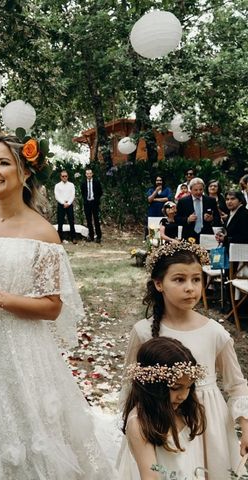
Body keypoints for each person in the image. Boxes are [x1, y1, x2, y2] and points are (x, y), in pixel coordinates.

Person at [0, 135, 113, 478]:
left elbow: (51, 308)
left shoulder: (43, 233)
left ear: (25, 172)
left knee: (30, 436)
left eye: (3, 163)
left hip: (23, 350)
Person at [122, 241, 248, 478]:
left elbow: (237, 385)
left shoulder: (214, 332)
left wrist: (246, 426)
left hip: (208, 423)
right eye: (179, 279)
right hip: (161, 420)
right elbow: (132, 384)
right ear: (159, 284)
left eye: (196, 279)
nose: (190, 288)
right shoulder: (143, 332)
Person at [117, 337, 207, 480]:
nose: (183, 396)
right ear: (152, 385)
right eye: (175, 388)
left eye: (189, 387)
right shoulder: (139, 423)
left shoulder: (183, 410)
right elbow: (151, 476)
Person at [176, 177, 220, 243]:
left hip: (206, 234)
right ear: (190, 190)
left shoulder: (210, 201)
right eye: (196, 190)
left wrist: (211, 219)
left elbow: (218, 218)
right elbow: (177, 218)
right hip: (189, 234)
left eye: (201, 189)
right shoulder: (183, 201)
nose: (198, 192)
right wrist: (187, 219)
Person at [54, 169, 78, 244]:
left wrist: (69, 203)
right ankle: (59, 238)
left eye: (66, 176)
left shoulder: (71, 185)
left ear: (68, 177)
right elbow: (56, 196)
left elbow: (73, 195)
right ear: (60, 177)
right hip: (61, 205)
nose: (64, 177)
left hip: (69, 205)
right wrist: (63, 203)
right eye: (63, 176)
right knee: (60, 222)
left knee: (71, 221)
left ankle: (73, 238)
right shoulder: (57, 185)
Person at [80, 167, 103, 243]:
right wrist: (86, 200)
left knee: (96, 220)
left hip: (94, 203)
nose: (89, 175)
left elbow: (100, 192)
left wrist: (96, 199)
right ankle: (91, 236)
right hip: (87, 203)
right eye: (87, 174)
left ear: (92, 174)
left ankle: (98, 236)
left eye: (90, 173)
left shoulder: (96, 182)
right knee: (89, 220)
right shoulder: (83, 183)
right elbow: (83, 192)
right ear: (85, 174)